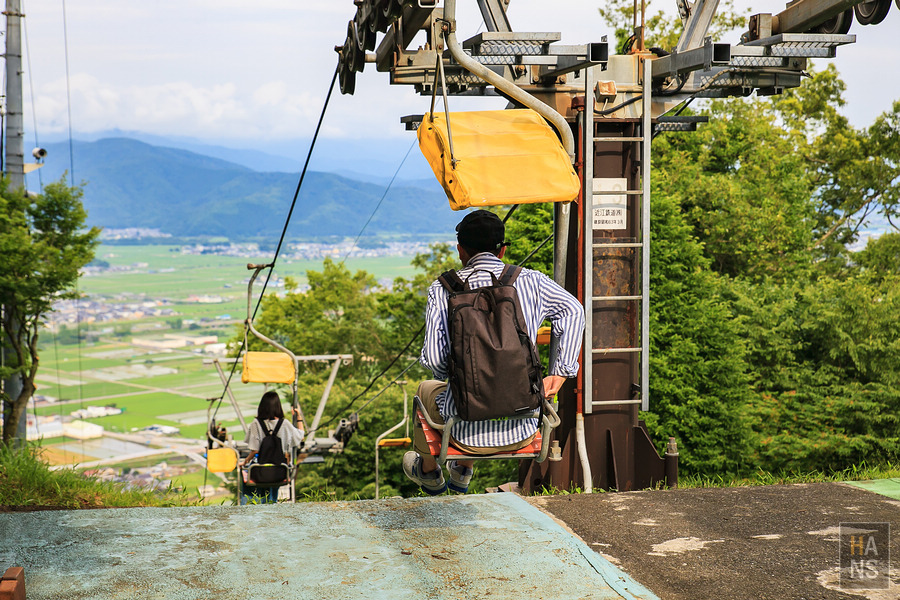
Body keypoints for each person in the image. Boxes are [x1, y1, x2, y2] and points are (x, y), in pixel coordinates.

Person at [403, 209, 585, 495]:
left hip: (462, 432)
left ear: (461, 250)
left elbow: (435, 360)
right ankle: (462, 472)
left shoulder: (442, 290)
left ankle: (429, 473)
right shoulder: (531, 281)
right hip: (525, 429)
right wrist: (560, 374)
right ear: (502, 251)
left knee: (428, 388)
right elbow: (574, 310)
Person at [241, 390, 305, 504]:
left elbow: (255, 449)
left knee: (251, 488)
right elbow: (300, 435)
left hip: (259, 469)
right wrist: (298, 417)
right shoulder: (284, 424)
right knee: (272, 496)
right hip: (279, 469)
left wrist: (245, 461)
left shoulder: (256, 423)